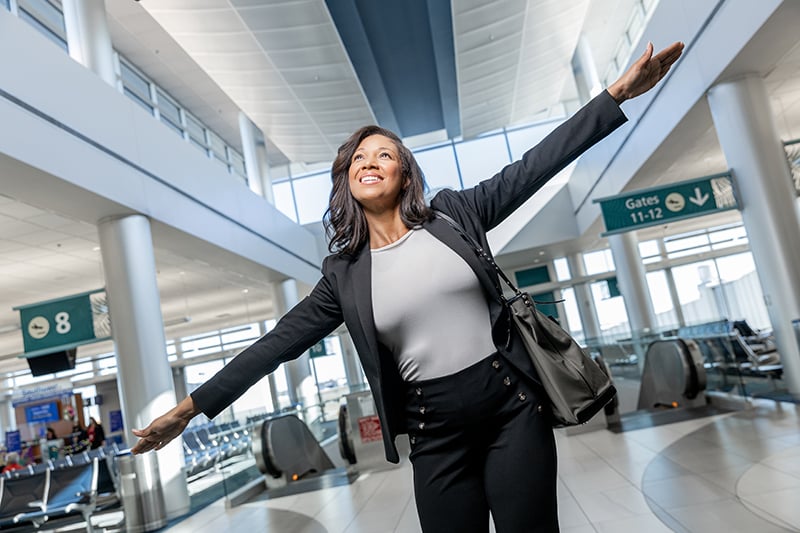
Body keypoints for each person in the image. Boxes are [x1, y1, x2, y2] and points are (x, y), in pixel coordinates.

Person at [132, 41, 684, 532]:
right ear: (347, 176)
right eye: (359, 157)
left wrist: (615, 95)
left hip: (511, 406)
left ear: (404, 174)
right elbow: (274, 345)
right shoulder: (342, 275)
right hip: (431, 428)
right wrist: (188, 410)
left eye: (385, 155)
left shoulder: (454, 216)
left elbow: (535, 164)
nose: (370, 162)